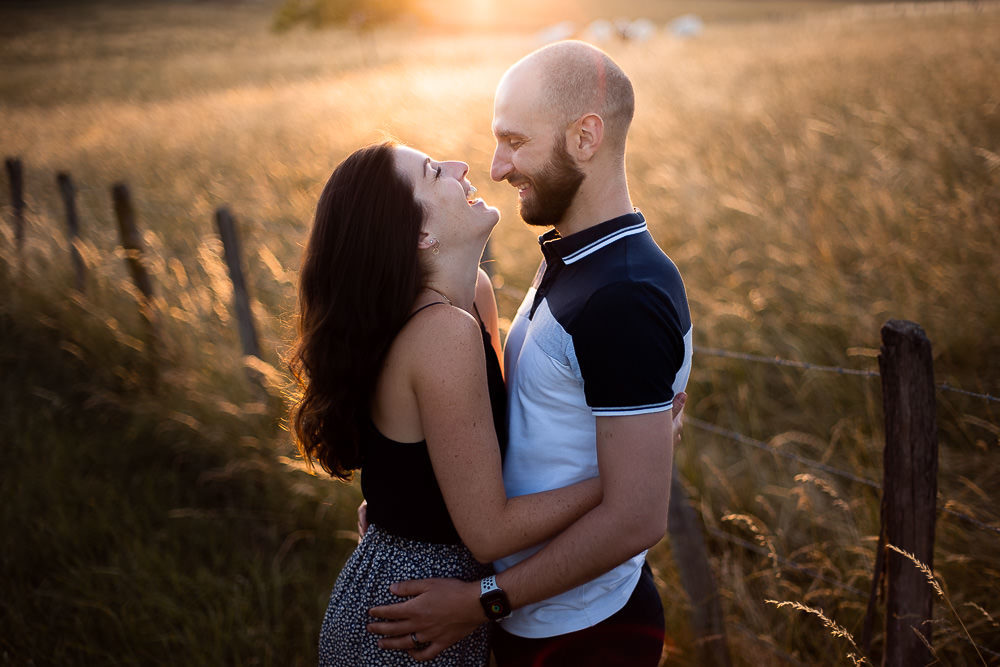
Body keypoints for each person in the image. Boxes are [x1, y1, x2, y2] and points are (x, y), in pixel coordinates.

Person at [365, 40, 693, 666]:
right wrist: (403, 509)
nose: (495, 167)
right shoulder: (572, 259)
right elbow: (521, 422)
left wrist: (481, 601)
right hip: (530, 620)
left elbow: (636, 516)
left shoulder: (621, 293)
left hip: (584, 634)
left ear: (585, 137)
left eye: (515, 142)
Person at [288, 141, 611, 666]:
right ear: (420, 234)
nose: (461, 167)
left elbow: (495, 446)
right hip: (409, 618)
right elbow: (489, 530)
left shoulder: (473, 294)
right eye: (435, 172)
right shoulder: (442, 332)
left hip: (450, 598)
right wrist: (619, 478)